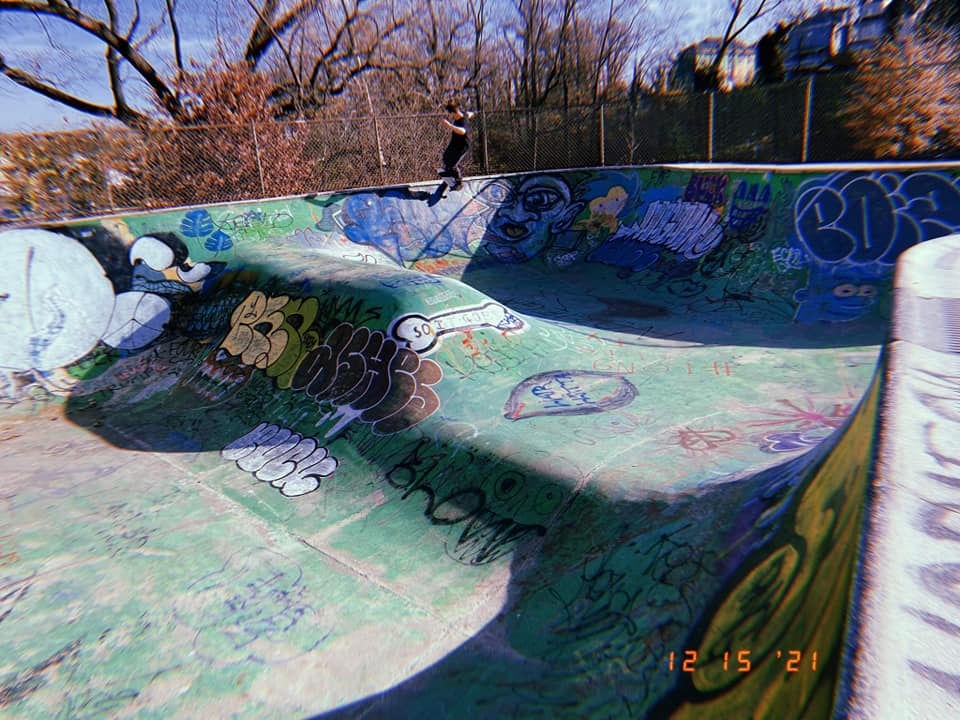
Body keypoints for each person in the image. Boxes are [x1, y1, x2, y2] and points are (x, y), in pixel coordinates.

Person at [439, 100, 473, 190]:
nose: (449, 116)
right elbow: (469, 113)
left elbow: (463, 131)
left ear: (453, 113)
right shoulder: (463, 115)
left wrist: (449, 125)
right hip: (454, 143)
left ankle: (459, 183)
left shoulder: (462, 121)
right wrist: (471, 114)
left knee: (453, 164)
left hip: (462, 146)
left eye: (449, 114)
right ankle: (449, 177)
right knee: (446, 157)